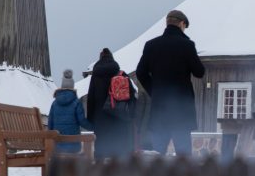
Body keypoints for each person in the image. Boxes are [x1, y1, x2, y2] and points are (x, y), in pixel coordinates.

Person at [135, 10, 205, 155]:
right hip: (181, 109)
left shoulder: (151, 45)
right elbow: (200, 72)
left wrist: (154, 91)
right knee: (183, 154)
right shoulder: (187, 45)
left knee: (157, 152)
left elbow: (140, 72)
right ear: (181, 24)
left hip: (160, 108)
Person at [86, 48, 135, 159]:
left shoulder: (95, 76)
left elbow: (91, 98)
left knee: (101, 153)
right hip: (119, 118)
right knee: (119, 152)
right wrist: (130, 115)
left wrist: (91, 119)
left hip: (101, 120)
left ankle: (100, 173)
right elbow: (131, 95)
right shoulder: (121, 74)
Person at [47, 69, 93, 154]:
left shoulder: (54, 103)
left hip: (57, 145)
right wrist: (94, 127)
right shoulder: (76, 102)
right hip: (73, 146)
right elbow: (82, 121)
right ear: (72, 86)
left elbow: (50, 124)